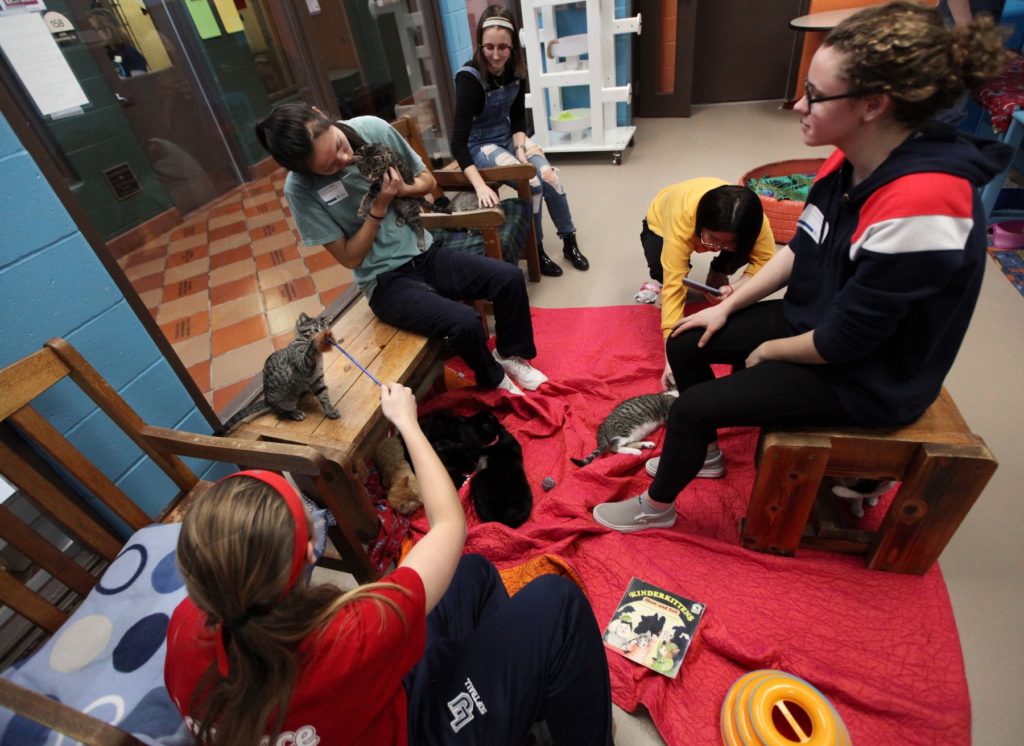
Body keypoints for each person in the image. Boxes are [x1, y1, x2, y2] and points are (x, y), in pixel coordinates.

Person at [593, 1, 1011, 532]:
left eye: (814, 94)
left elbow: (846, 344)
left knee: (694, 408)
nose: (797, 105)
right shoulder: (848, 156)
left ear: (873, 105)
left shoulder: (924, 204)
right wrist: (726, 308)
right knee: (685, 339)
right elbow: (801, 249)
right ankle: (705, 456)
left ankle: (656, 508)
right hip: (817, 322)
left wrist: (765, 352)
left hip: (867, 377)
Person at [165, 382, 614, 745]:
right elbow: (447, 528)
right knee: (557, 603)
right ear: (307, 553)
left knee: (473, 574)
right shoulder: (354, 631)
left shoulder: (185, 628)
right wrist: (407, 422)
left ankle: (519, 703)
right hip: (410, 728)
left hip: (356, 715)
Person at [255, 103, 548, 396]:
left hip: (425, 253)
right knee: (465, 322)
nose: (344, 159)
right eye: (329, 167)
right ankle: (492, 377)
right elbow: (350, 257)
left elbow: (427, 181)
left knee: (508, 279)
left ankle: (508, 355)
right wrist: (378, 208)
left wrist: (402, 190)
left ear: (321, 114)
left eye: (340, 147)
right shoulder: (299, 189)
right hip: (384, 281)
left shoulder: (371, 129)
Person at [451, 4, 590, 278]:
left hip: (507, 137)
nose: (495, 54)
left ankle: (568, 241)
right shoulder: (469, 79)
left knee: (550, 177)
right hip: (480, 144)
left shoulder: (516, 70)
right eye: (489, 46)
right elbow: (457, 142)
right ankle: (535, 249)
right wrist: (478, 185)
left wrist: (519, 148)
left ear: (513, 46)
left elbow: (517, 120)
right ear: (480, 43)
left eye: (503, 47)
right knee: (534, 185)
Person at [642, 179, 776, 393]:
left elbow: (767, 262)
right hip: (660, 222)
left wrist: (734, 288)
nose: (716, 248)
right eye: (712, 238)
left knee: (740, 253)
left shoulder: (754, 222)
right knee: (664, 272)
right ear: (700, 224)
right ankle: (702, 267)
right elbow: (674, 289)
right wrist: (671, 355)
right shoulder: (682, 220)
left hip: (723, 227)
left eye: (727, 243)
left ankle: (718, 271)